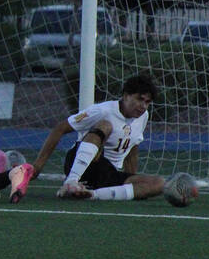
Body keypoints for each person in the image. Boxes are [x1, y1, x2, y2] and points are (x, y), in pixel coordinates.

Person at [30, 72, 165, 201]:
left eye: (147, 102)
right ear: (126, 95)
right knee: (105, 126)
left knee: (159, 183)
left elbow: (132, 149)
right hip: (84, 163)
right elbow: (60, 128)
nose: (143, 106)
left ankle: (91, 194)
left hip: (108, 173)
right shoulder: (102, 111)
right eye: (139, 99)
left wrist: (133, 182)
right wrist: (38, 165)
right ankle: (71, 182)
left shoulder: (143, 117)